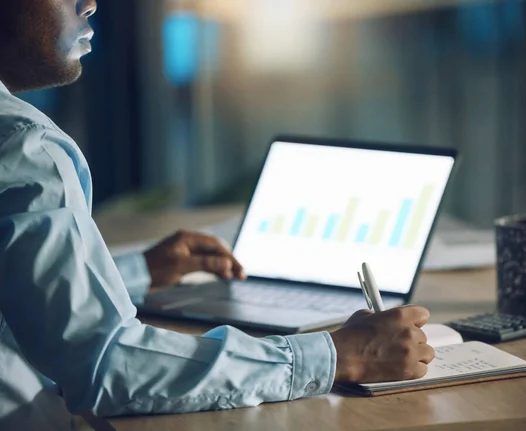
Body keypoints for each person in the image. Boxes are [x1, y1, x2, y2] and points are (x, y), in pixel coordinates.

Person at [0, 0, 435, 428]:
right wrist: (341, 355)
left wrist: (137, 272)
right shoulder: (26, 148)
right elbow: (108, 365)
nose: (89, 4)